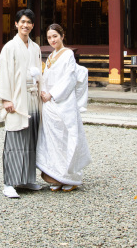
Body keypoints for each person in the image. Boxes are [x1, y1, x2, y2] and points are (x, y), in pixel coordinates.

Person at [0, 9, 44, 199]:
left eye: (29, 22)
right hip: (16, 98)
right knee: (15, 141)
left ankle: (27, 178)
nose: (26, 25)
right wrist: (6, 98)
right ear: (16, 24)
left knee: (31, 139)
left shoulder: (36, 48)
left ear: (32, 25)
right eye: (22, 22)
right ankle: (9, 183)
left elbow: (39, 73)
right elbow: (3, 73)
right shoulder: (9, 47)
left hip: (32, 98)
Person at [36, 23, 91, 192]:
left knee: (65, 139)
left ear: (62, 36)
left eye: (55, 36)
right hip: (49, 103)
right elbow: (46, 77)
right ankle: (57, 176)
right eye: (49, 37)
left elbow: (68, 79)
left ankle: (71, 177)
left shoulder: (67, 55)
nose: (52, 40)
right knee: (52, 142)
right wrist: (43, 91)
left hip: (63, 102)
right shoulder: (51, 56)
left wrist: (52, 94)